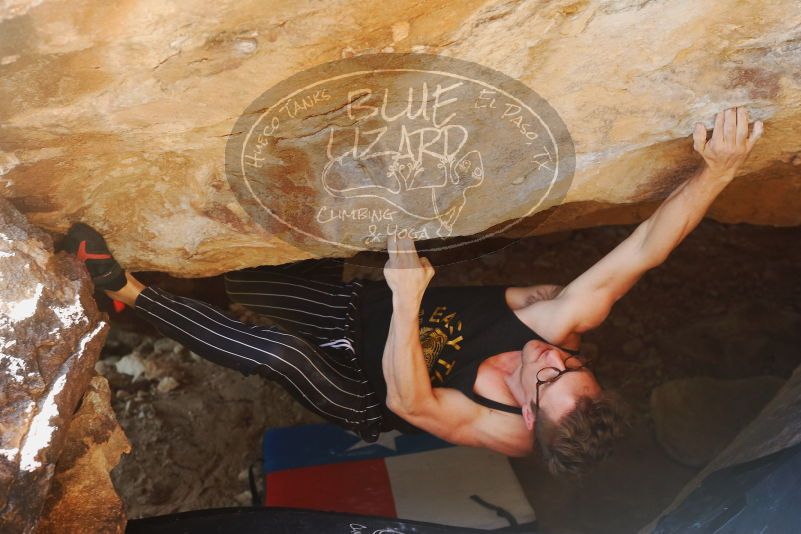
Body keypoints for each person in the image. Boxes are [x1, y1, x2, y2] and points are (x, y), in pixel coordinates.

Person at [66, 107, 762, 477]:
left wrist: (405, 298)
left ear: (526, 413)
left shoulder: (498, 429)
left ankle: (122, 290)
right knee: (254, 281)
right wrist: (719, 170)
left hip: (369, 388)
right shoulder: (557, 324)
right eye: (569, 366)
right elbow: (644, 250)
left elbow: (410, 400)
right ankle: (184, 294)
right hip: (365, 313)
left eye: (546, 379)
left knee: (285, 357)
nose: (550, 360)